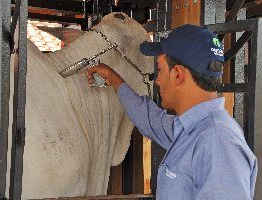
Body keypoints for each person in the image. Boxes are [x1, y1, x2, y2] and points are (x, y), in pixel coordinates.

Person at [86, 24, 258, 199]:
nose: (158, 81)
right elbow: (150, 120)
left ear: (177, 74)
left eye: (160, 70)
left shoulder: (217, 142)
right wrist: (114, 79)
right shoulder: (191, 128)